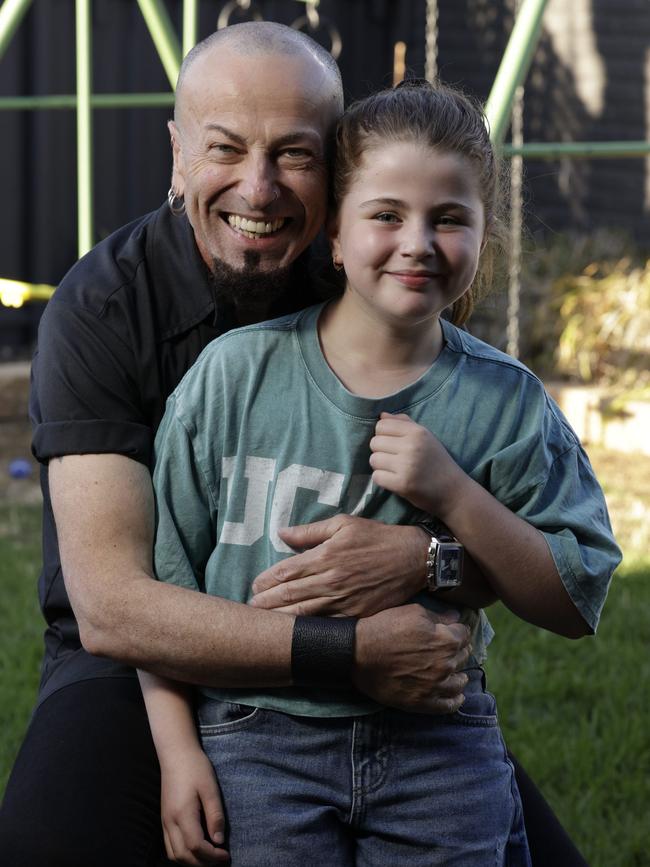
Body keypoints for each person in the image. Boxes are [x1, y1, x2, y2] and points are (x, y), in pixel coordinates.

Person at [0, 22, 598, 867]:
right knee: (49, 838)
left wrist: (428, 560)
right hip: (144, 656)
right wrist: (349, 656)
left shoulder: (376, 264)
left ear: (339, 168)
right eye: (225, 148)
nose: (260, 186)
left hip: (388, 681)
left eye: (295, 155)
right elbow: (113, 604)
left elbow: (512, 525)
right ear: (176, 152)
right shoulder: (105, 307)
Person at [141, 79, 621, 866]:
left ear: (485, 233)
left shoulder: (505, 401)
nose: (418, 242)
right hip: (259, 737)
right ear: (333, 233)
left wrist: (454, 494)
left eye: (450, 218)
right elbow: (165, 586)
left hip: (437, 740)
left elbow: (574, 595)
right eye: (387, 214)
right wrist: (176, 749)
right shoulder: (235, 377)